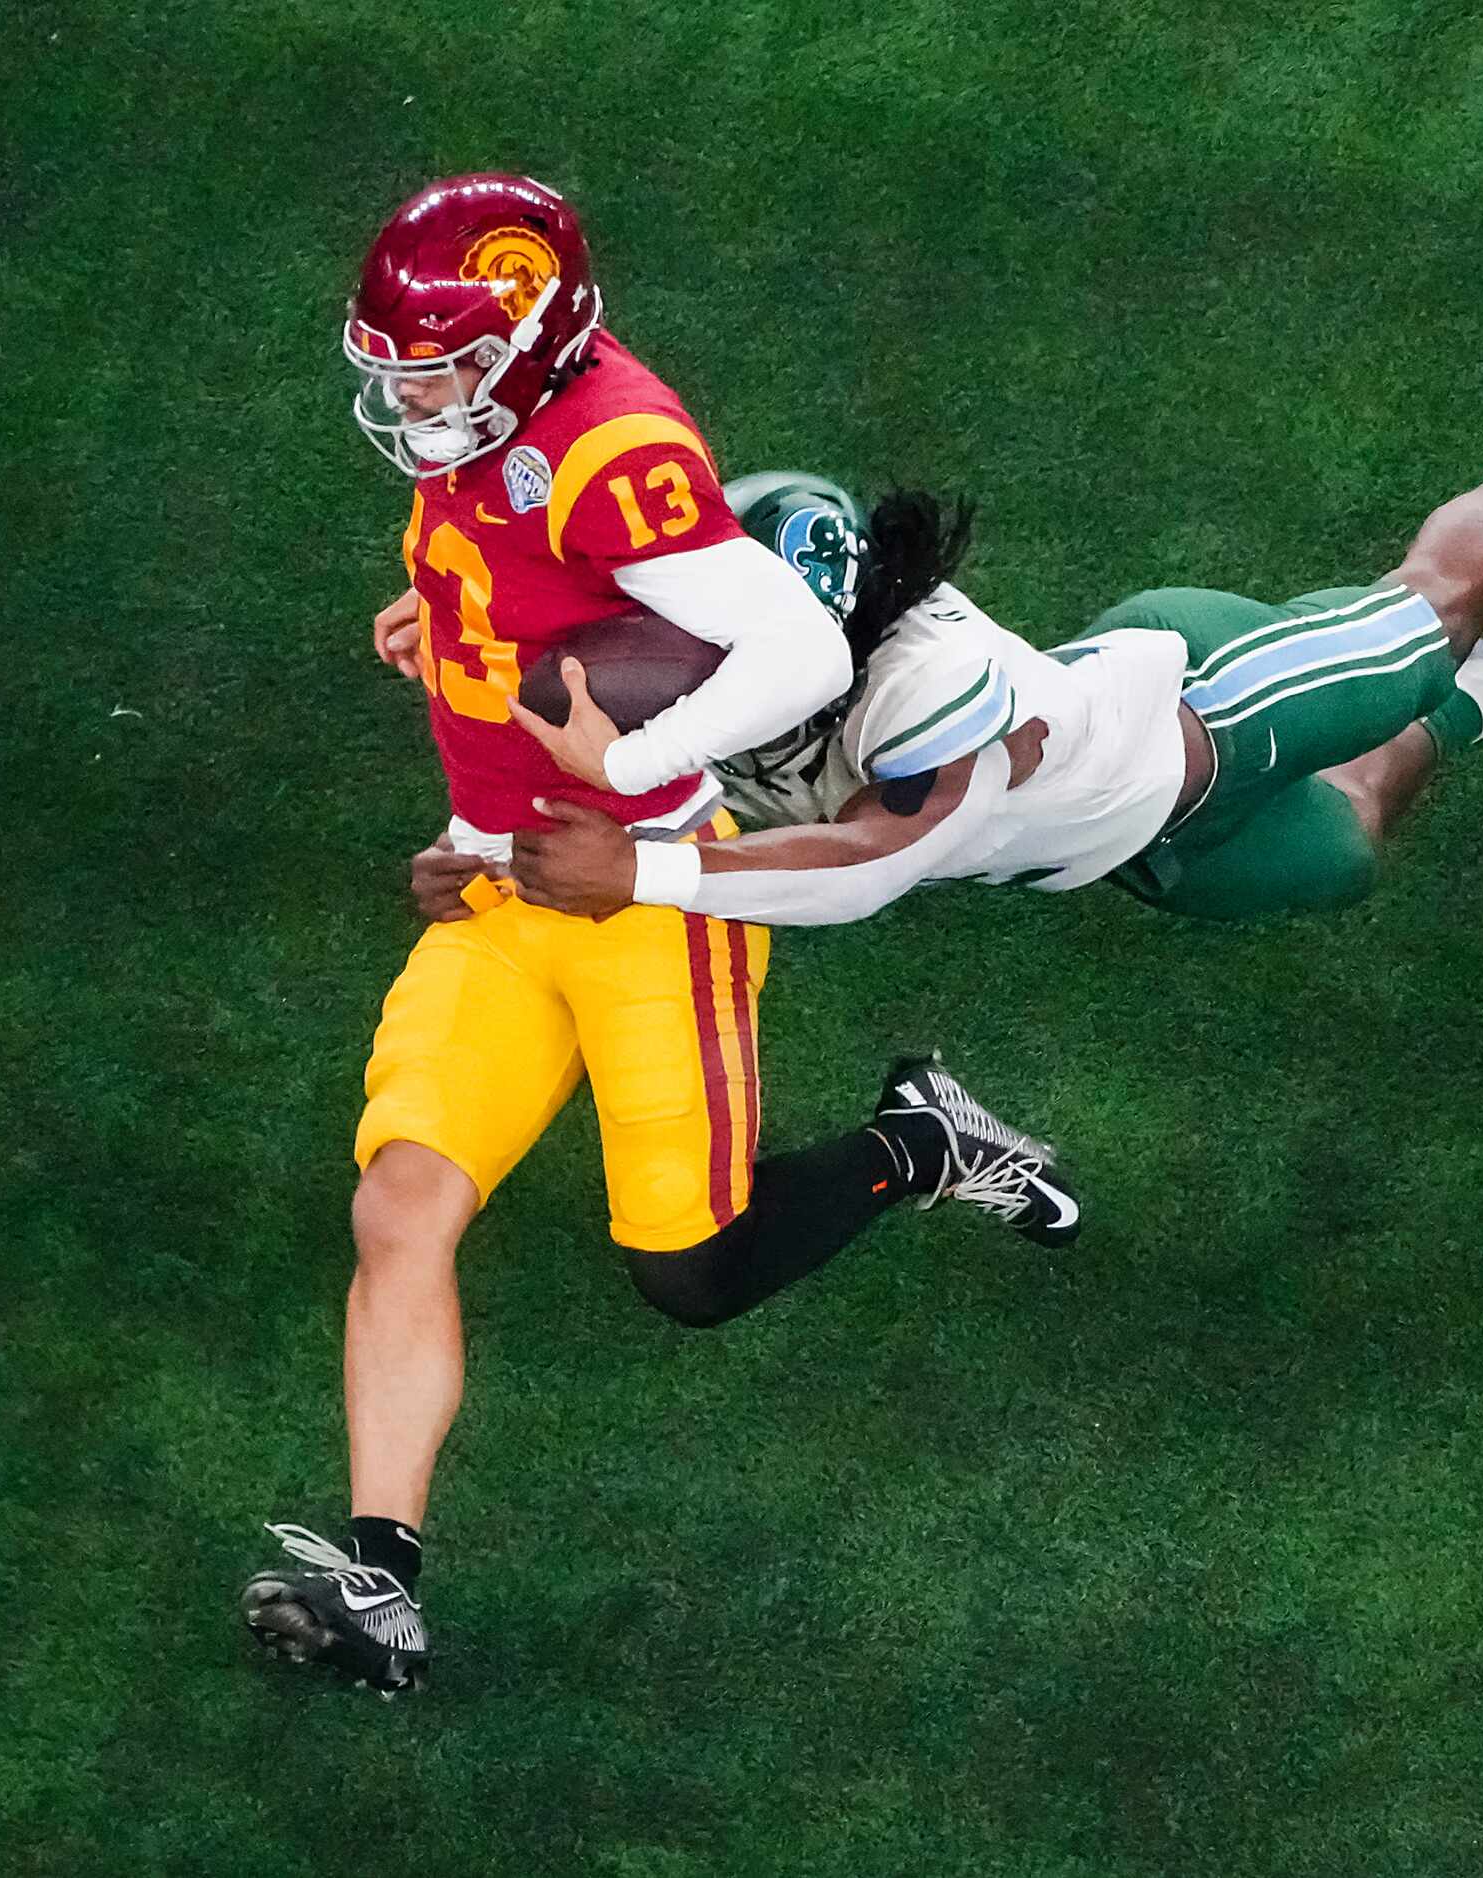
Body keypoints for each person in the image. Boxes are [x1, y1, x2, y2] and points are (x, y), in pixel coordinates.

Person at [241, 175, 1082, 1698]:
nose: (410, 394)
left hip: (637, 892)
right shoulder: (491, 433)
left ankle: (917, 1141)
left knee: (692, 1274)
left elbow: (798, 644)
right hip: (497, 883)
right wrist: (442, 612)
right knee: (400, 1206)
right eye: (400, 364)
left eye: (435, 365)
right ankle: (382, 1578)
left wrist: (625, 783)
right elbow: (523, 569)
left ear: (527, 341)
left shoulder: (615, 451)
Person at [498, 348, 1483, 929]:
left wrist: (648, 876)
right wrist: (490, 855)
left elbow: (868, 864)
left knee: (1430, 616)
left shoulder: (928, 683)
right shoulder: (700, 651)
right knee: (1345, 851)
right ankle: (1473, 706)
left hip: (1207, 708)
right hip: (1132, 838)